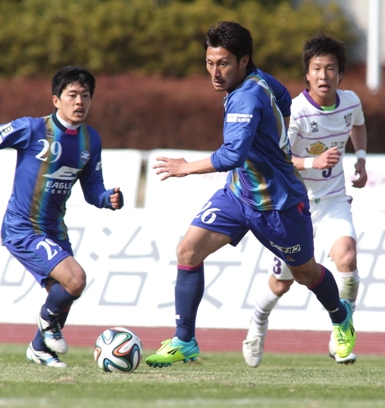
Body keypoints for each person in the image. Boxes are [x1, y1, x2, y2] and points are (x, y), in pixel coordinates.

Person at [144, 21, 356, 368]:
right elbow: (284, 97)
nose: (215, 72)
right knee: (187, 250)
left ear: (243, 61)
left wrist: (185, 167)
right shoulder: (261, 79)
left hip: (279, 206)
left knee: (305, 275)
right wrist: (278, 138)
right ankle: (185, 341)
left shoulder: (245, 97)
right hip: (238, 195)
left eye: (223, 63)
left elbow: (232, 155)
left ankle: (340, 315)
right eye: (210, 63)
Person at [0, 66, 124, 368]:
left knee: (65, 292)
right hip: (23, 227)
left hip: (55, 229)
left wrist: (107, 198)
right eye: (72, 95)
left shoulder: (91, 140)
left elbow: (92, 189)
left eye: (85, 95)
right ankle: (46, 320)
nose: (79, 102)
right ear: (56, 100)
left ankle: (40, 349)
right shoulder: (32, 129)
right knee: (76, 279)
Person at [242, 33, 368, 368]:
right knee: (281, 284)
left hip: (334, 200)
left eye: (330, 68)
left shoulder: (351, 102)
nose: (324, 75)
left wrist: (361, 158)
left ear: (341, 74)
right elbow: (278, 158)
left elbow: (358, 125)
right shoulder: (295, 111)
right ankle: (257, 323)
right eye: (317, 68)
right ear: (307, 75)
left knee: (348, 258)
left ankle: (341, 332)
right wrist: (314, 161)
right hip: (295, 207)